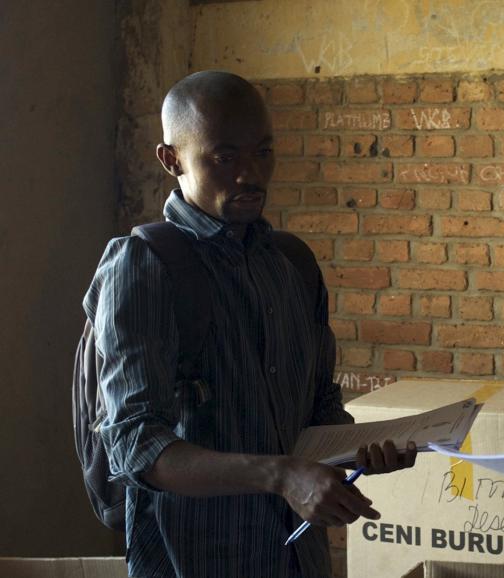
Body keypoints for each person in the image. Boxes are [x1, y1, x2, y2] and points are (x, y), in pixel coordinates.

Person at [84, 70, 415, 577]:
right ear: (171, 159)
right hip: (195, 560)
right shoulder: (144, 265)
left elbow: (318, 407)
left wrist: (360, 451)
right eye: (225, 157)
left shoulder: (291, 265)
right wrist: (281, 476)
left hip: (298, 558)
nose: (250, 175)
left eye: (263, 152)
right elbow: (134, 446)